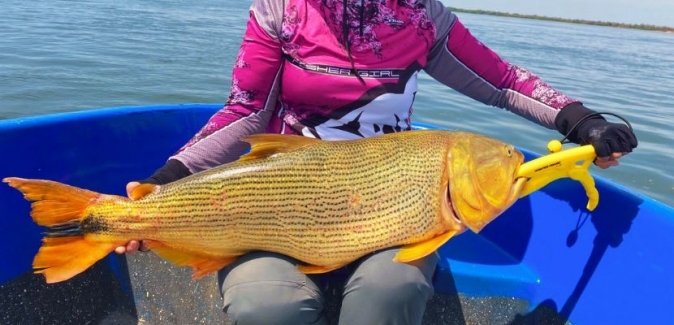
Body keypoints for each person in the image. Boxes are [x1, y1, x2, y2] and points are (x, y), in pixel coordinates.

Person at [116, 0, 638, 324]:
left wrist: (580, 120)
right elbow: (247, 113)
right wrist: (165, 183)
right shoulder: (280, 9)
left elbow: (501, 81)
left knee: (394, 289)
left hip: (395, 204)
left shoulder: (419, 15)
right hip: (283, 203)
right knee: (264, 304)